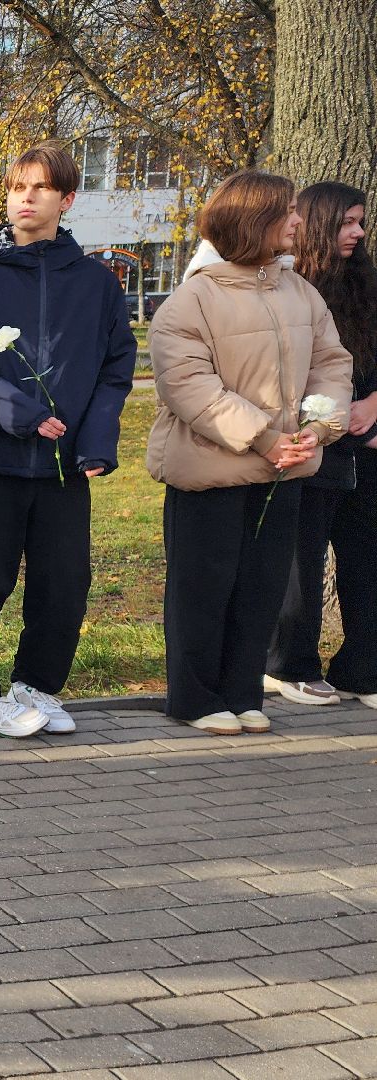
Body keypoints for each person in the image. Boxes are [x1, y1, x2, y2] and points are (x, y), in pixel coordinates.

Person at [0, 141, 137, 738]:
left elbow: (115, 367)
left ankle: (37, 687)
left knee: (63, 584)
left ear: (66, 200)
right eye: (18, 187)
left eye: (40, 188)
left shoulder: (96, 283)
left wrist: (95, 443)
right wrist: (18, 413)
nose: (26, 197)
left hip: (65, 465)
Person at [149, 170, 353, 733]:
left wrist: (319, 425)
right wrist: (265, 437)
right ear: (253, 219)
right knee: (202, 588)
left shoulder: (299, 291)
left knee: (261, 588)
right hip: (209, 474)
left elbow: (331, 364)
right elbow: (189, 386)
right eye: (287, 210)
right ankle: (193, 699)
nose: (298, 220)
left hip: (283, 472)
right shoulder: (192, 299)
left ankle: (243, 695)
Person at [264, 183, 377, 709]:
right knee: (300, 560)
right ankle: (289, 665)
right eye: (346, 222)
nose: (356, 232)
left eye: (361, 221)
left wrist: (374, 408)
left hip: (367, 446)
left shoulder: (370, 285)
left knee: (366, 559)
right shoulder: (290, 286)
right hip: (311, 442)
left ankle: (364, 667)